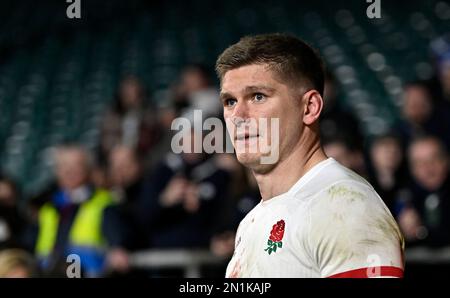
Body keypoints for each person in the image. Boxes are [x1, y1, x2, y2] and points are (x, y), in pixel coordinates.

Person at [215, 33, 404, 278]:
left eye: (257, 96)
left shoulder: (344, 205)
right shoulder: (252, 220)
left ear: (310, 107)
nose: (238, 115)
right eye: (230, 101)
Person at [32, 145, 115, 277]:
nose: (69, 171)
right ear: (56, 170)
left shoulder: (104, 204)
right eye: (64, 165)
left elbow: (118, 243)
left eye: (76, 165)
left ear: (88, 169)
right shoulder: (48, 208)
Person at [397, 136, 450, 247]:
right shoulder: (405, 195)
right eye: (419, 163)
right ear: (411, 168)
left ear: (446, 161)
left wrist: (422, 233)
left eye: (434, 159)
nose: (428, 168)